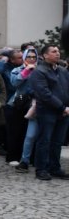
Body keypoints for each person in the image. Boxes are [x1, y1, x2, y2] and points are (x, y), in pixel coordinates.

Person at [28, 43, 69, 181]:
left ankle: (54, 167)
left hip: (63, 112)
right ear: (45, 55)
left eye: (58, 51)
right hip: (47, 112)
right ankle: (41, 169)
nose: (57, 53)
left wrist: (66, 108)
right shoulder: (39, 71)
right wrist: (62, 107)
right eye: (54, 51)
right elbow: (44, 94)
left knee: (57, 142)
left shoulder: (63, 71)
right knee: (44, 140)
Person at [9, 48, 40, 171]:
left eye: (34, 57)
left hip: (36, 104)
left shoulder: (41, 70)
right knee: (23, 133)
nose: (32, 59)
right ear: (24, 58)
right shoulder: (18, 69)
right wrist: (26, 71)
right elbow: (14, 83)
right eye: (29, 57)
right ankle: (22, 159)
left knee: (33, 134)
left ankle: (34, 159)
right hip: (20, 104)